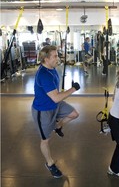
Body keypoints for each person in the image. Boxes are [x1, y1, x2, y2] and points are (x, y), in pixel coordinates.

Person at [31, 45, 80, 178]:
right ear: (46, 59)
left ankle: (58, 126)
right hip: (43, 111)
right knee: (45, 140)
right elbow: (56, 96)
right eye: (55, 56)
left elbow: (56, 95)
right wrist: (73, 88)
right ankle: (50, 164)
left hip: (55, 105)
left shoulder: (52, 68)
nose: (58, 58)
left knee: (74, 114)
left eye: (57, 55)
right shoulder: (44, 75)